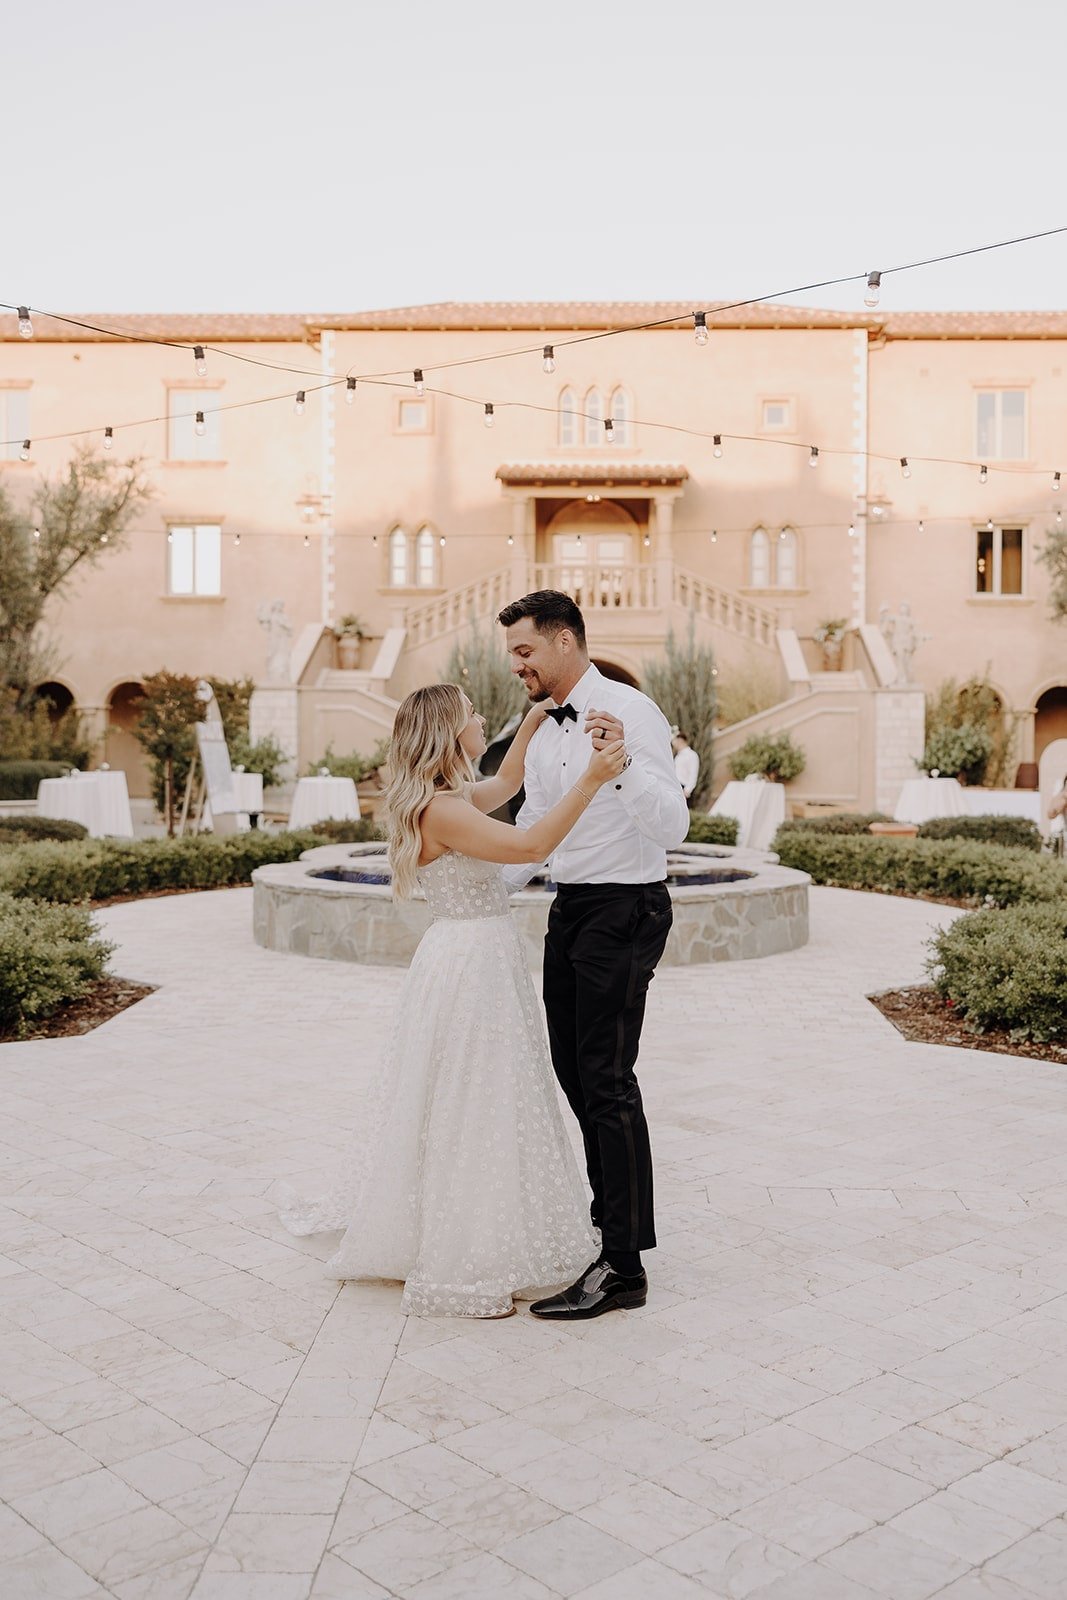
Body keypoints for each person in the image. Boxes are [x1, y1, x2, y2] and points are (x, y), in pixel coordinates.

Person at [279, 682, 624, 1319]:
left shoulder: (452, 797)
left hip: (472, 956)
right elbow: (528, 846)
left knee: (485, 1094)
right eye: (471, 713)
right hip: (471, 962)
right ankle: (464, 1261)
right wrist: (593, 779)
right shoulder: (441, 809)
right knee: (476, 1097)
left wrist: (530, 723)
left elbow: (506, 784)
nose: (481, 717)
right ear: (447, 729)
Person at [497, 590, 690, 1320]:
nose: (516, 665)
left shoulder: (631, 713)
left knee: (606, 1079)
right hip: (571, 908)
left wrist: (622, 767)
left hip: (626, 907)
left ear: (565, 644)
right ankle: (607, 1225)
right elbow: (533, 831)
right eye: (511, 653)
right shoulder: (546, 731)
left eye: (524, 651)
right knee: (574, 1073)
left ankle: (623, 1268)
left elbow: (670, 824)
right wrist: (484, 888)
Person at [671, 727, 700, 800]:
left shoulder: (692, 755)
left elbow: (693, 775)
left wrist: (687, 790)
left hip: (683, 789)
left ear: (680, 740)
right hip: (675, 787)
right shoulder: (678, 756)